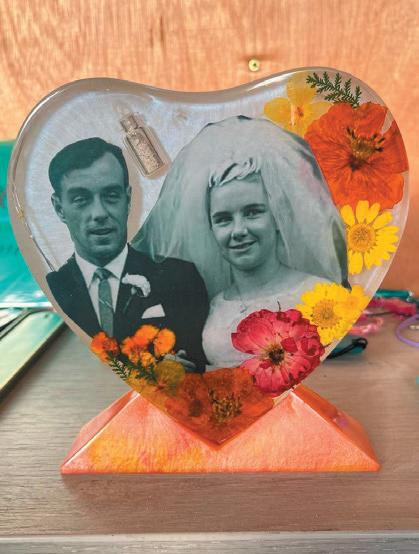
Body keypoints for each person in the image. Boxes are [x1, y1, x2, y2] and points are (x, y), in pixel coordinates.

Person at [133, 116, 348, 369]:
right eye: (223, 219)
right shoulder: (213, 308)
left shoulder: (320, 296)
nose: (238, 231)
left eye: (253, 212)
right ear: (211, 229)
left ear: (276, 217)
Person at [46, 137, 209, 370]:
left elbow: (197, 365)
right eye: (81, 200)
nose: (99, 213)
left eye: (111, 196)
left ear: (128, 199)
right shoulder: (53, 289)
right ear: (59, 208)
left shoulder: (180, 277)